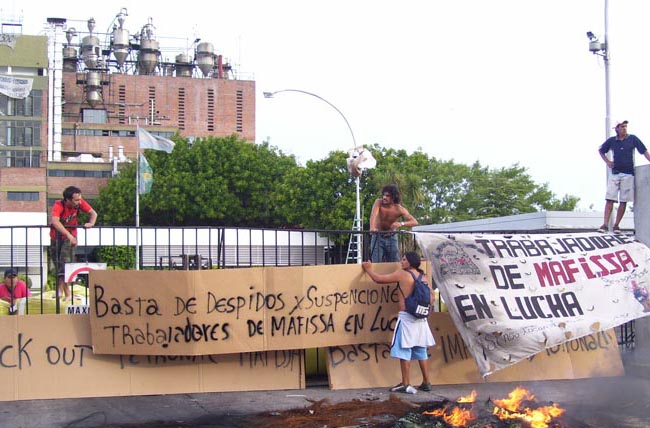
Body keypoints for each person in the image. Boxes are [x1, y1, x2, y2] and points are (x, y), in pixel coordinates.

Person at [362, 252, 435, 394]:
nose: (401, 261)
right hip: (421, 318)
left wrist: (368, 269)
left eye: (404, 259)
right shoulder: (423, 276)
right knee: (421, 350)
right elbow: (431, 297)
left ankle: (406, 383)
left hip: (407, 317)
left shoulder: (402, 274)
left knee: (404, 350)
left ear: (410, 262)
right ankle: (426, 382)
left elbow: (379, 279)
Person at [598, 120, 650, 233]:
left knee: (623, 200)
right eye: (622, 126)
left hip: (628, 173)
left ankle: (617, 225)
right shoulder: (612, 141)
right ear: (617, 128)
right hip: (615, 173)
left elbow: (644, 151)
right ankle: (605, 224)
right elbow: (601, 150)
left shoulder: (632, 138)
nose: (624, 128)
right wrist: (607, 161)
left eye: (625, 126)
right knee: (610, 198)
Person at [50, 186, 97, 301]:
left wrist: (91, 223)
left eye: (80, 199)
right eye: (76, 200)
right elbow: (55, 222)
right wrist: (68, 234)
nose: (79, 202)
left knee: (65, 265)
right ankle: (60, 291)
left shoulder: (80, 203)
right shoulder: (59, 205)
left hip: (70, 237)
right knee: (58, 265)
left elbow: (93, 214)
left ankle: (66, 294)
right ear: (67, 200)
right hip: (57, 237)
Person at [369, 184, 418, 262]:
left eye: (387, 196)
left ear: (393, 197)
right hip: (377, 235)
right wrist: (372, 227)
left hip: (391, 237)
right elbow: (373, 215)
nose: (384, 197)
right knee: (376, 262)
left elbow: (414, 222)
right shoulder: (378, 202)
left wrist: (401, 224)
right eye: (383, 195)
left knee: (394, 262)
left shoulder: (399, 209)